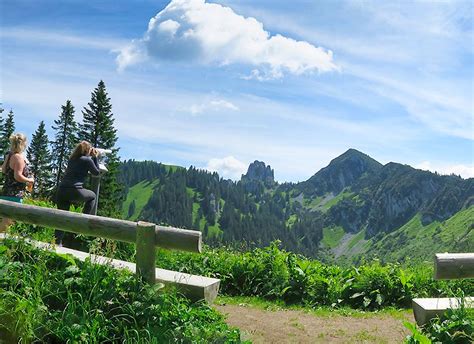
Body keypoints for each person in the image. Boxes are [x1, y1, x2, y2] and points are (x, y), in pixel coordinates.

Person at [56, 141, 100, 244]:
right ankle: (82, 221)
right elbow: (96, 172)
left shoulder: (72, 159)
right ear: (87, 150)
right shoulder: (87, 160)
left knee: (62, 218)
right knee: (92, 196)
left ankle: (57, 242)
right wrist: (95, 157)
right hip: (75, 190)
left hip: (62, 190)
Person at [0, 133, 35, 232]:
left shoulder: (9, 155)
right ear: (23, 144)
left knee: (7, 222)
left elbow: (3, 170)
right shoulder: (19, 157)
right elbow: (17, 176)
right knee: (7, 223)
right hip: (14, 194)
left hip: (6, 192)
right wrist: (30, 180)